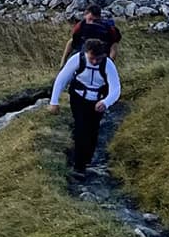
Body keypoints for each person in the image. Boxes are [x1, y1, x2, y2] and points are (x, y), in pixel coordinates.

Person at [48, 38, 120, 175]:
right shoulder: (77, 59)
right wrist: (54, 102)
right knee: (81, 128)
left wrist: (106, 102)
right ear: (86, 53)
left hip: (98, 102)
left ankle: (86, 160)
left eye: (98, 59)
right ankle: (79, 166)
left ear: (103, 56)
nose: (94, 62)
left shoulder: (108, 65)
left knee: (93, 131)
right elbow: (61, 79)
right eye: (92, 58)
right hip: (78, 99)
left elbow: (116, 89)